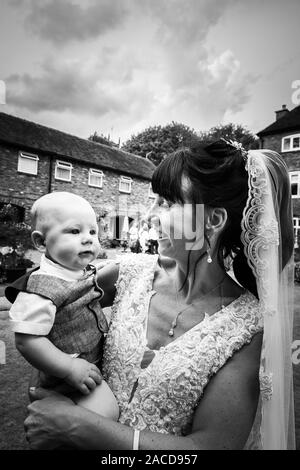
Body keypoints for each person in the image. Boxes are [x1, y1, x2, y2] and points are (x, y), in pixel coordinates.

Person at [22, 141, 295, 450]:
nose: (150, 215)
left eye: (166, 202)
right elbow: (49, 294)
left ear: (214, 220)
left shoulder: (247, 327)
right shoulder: (128, 272)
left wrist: (77, 426)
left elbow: (210, 446)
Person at [7, 192, 119, 419]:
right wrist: (68, 368)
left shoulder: (76, 270)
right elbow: (27, 340)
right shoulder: (42, 289)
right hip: (66, 375)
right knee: (107, 414)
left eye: (93, 231)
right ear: (41, 242)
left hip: (90, 362)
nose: (88, 238)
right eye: (75, 231)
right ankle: (55, 413)